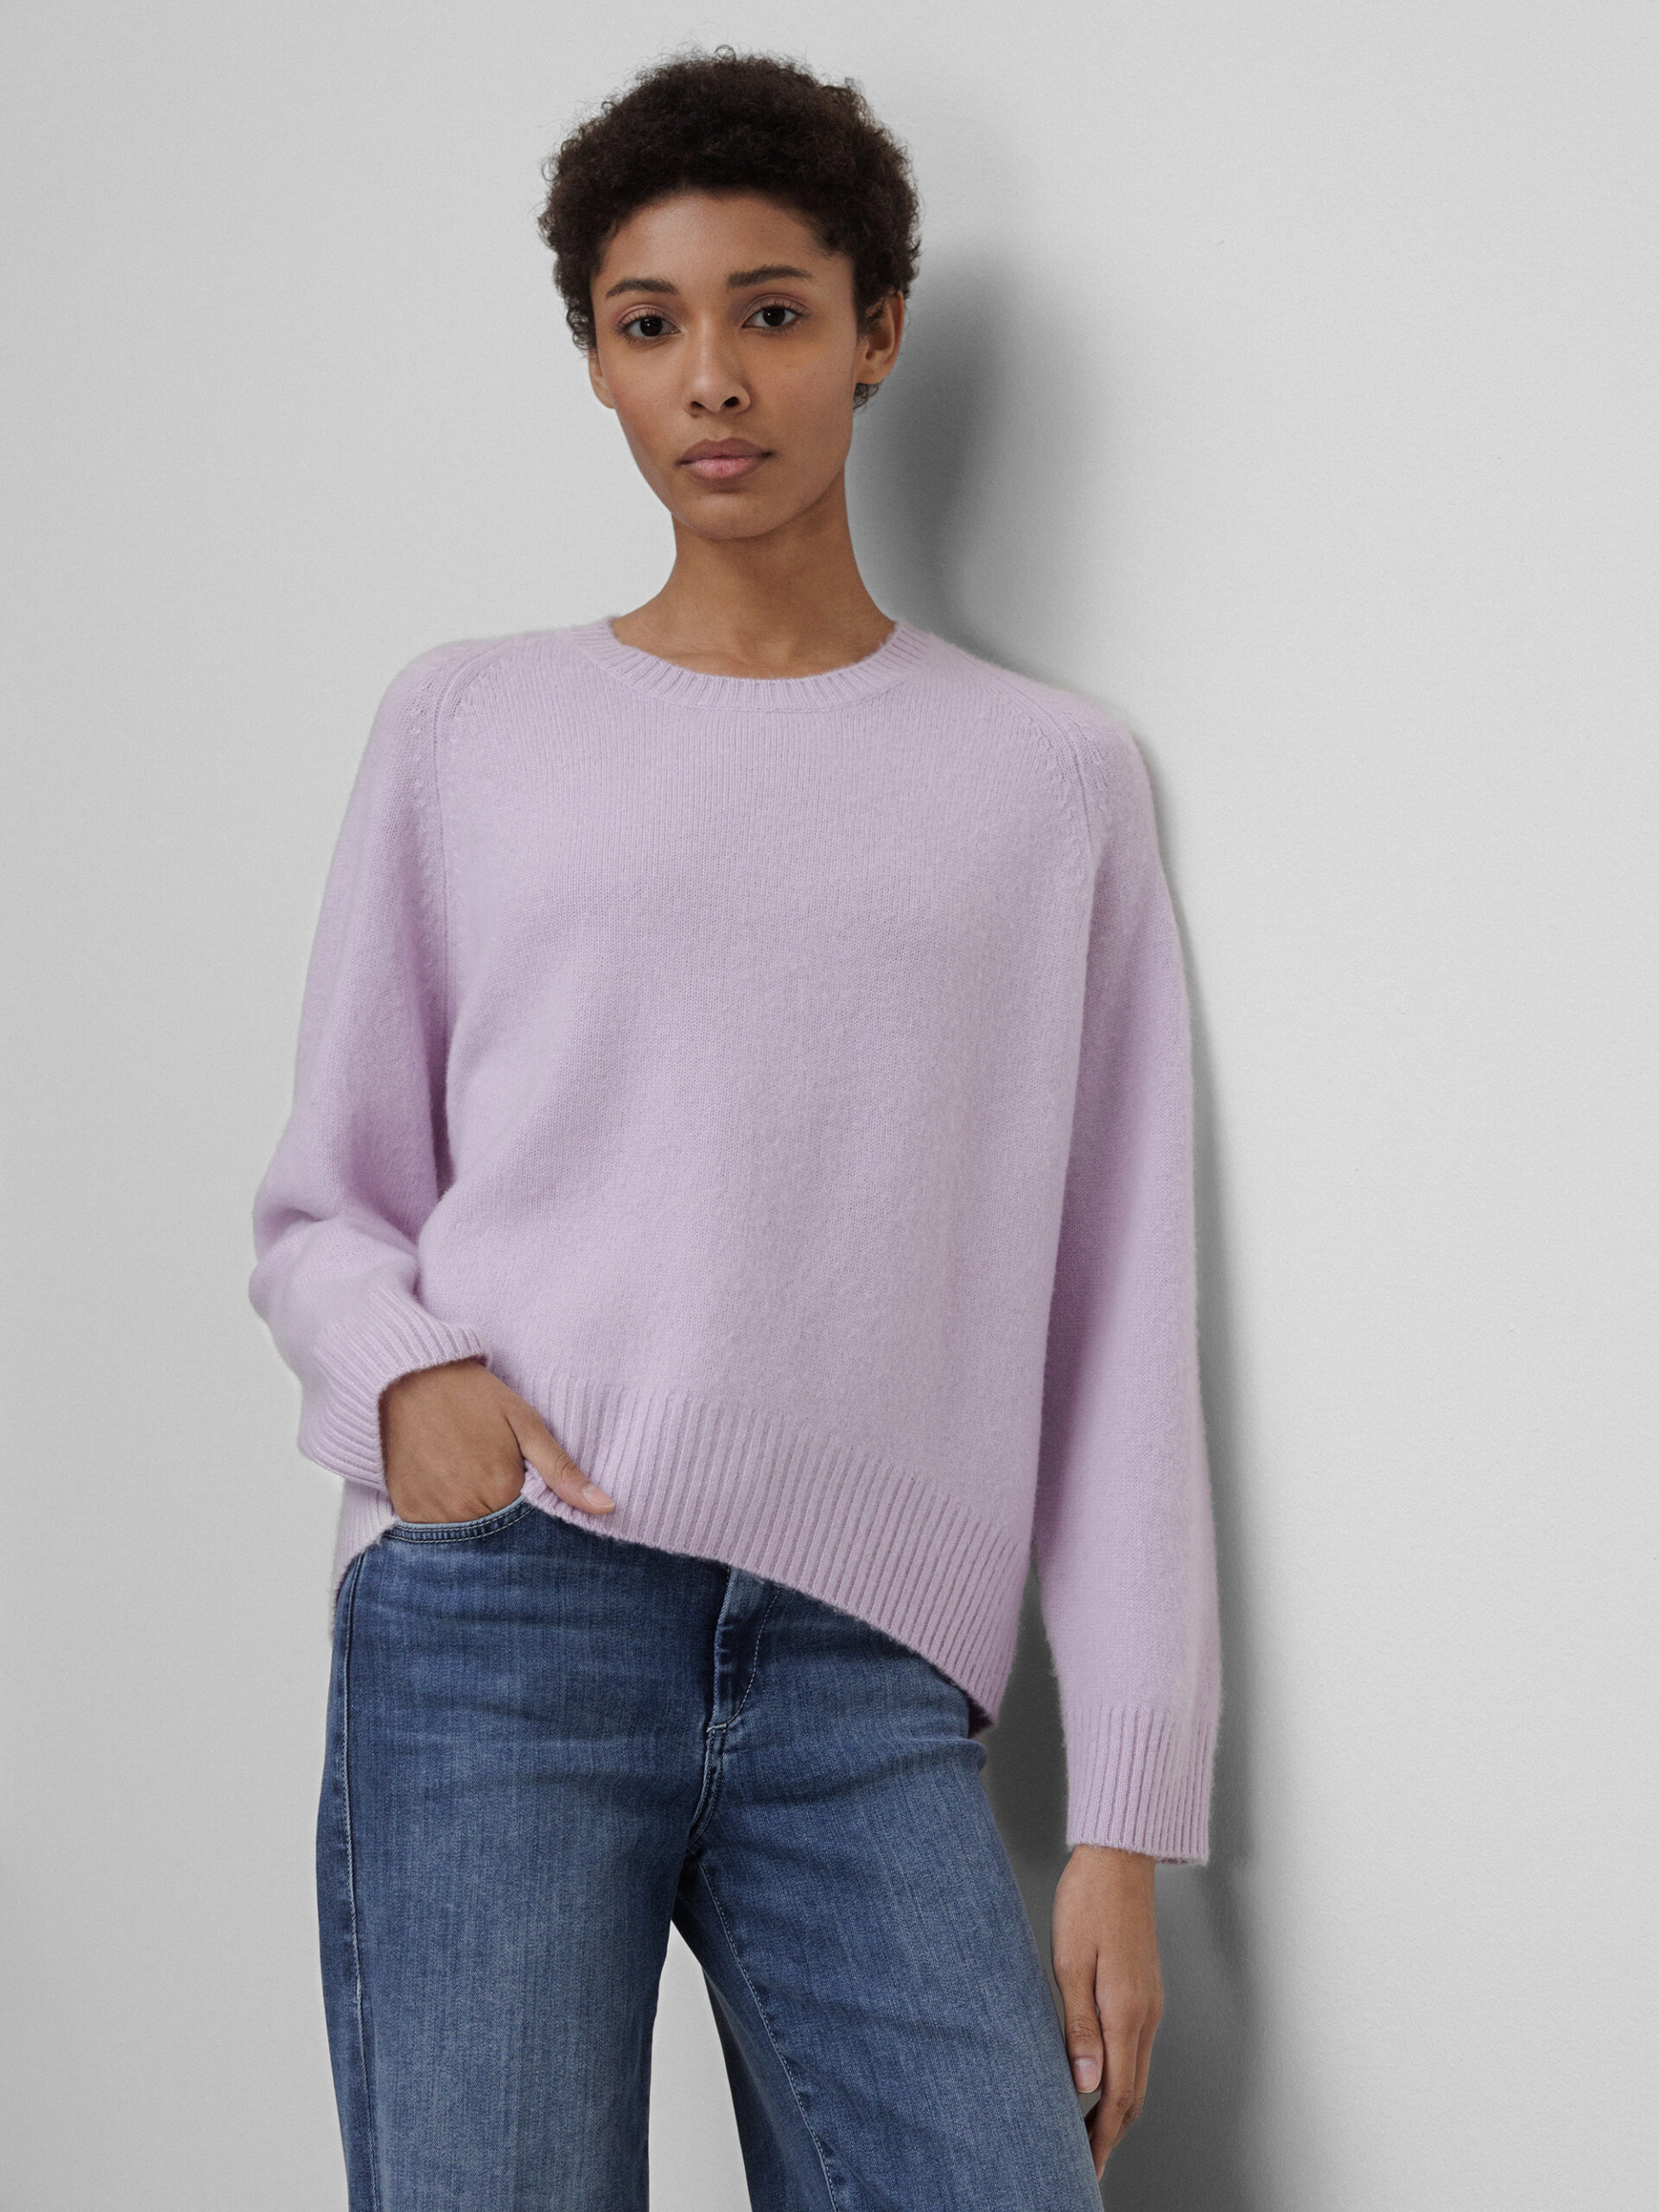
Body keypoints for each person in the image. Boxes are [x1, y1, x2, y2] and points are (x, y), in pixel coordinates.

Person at [249, 45, 1221, 2211]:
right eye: (649, 321)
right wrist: (409, 1379)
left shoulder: (1049, 779)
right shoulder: (470, 721)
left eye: (773, 310)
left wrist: (1125, 1818)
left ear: (878, 332)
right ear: (596, 357)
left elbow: (1114, 1319)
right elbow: (326, 1201)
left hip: (868, 1671)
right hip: (504, 1614)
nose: (713, 377)